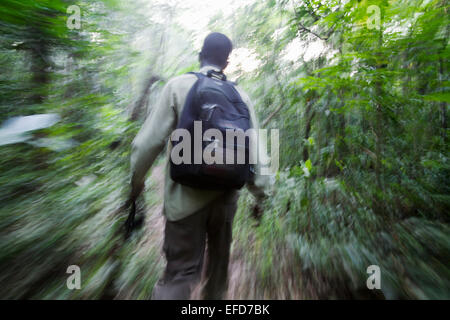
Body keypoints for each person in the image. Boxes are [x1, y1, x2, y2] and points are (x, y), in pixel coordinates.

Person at [129, 32, 272, 300]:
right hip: (226, 199)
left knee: (180, 275)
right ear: (226, 62)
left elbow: (145, 146)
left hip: (183, 200)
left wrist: (136, 187)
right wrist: (260, 196)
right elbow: (258, 154)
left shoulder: (177, 86)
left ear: (200, 55)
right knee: (218, 274)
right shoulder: (240, 95)